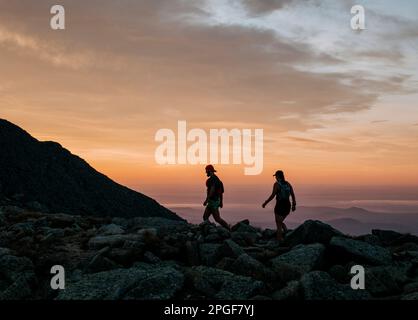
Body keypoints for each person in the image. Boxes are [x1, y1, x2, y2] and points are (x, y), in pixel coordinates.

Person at [262, 170, 296, 241]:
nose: (275, 178)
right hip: (287, 205)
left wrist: (265, 202)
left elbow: (273, 195)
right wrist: (293, 205)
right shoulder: (288, 184)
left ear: (278, 176)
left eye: (276, 176)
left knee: (278, 224)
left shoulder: (277, 184)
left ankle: (279, 240)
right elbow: (292, 194)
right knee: (280, 222)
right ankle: (286, 233)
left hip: (280, 205)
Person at [203, 165, 230, 230]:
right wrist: (221, 202)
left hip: (213, 202)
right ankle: (209, 229)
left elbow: (212, 190)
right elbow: (221, 193)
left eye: (206, 171)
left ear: (209, 171)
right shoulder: (217, 180)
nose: (206, 172)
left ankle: (228, 229)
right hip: (214, 201)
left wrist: (206, 200)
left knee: (217, 219)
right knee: (205, 217)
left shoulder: (213, 179)